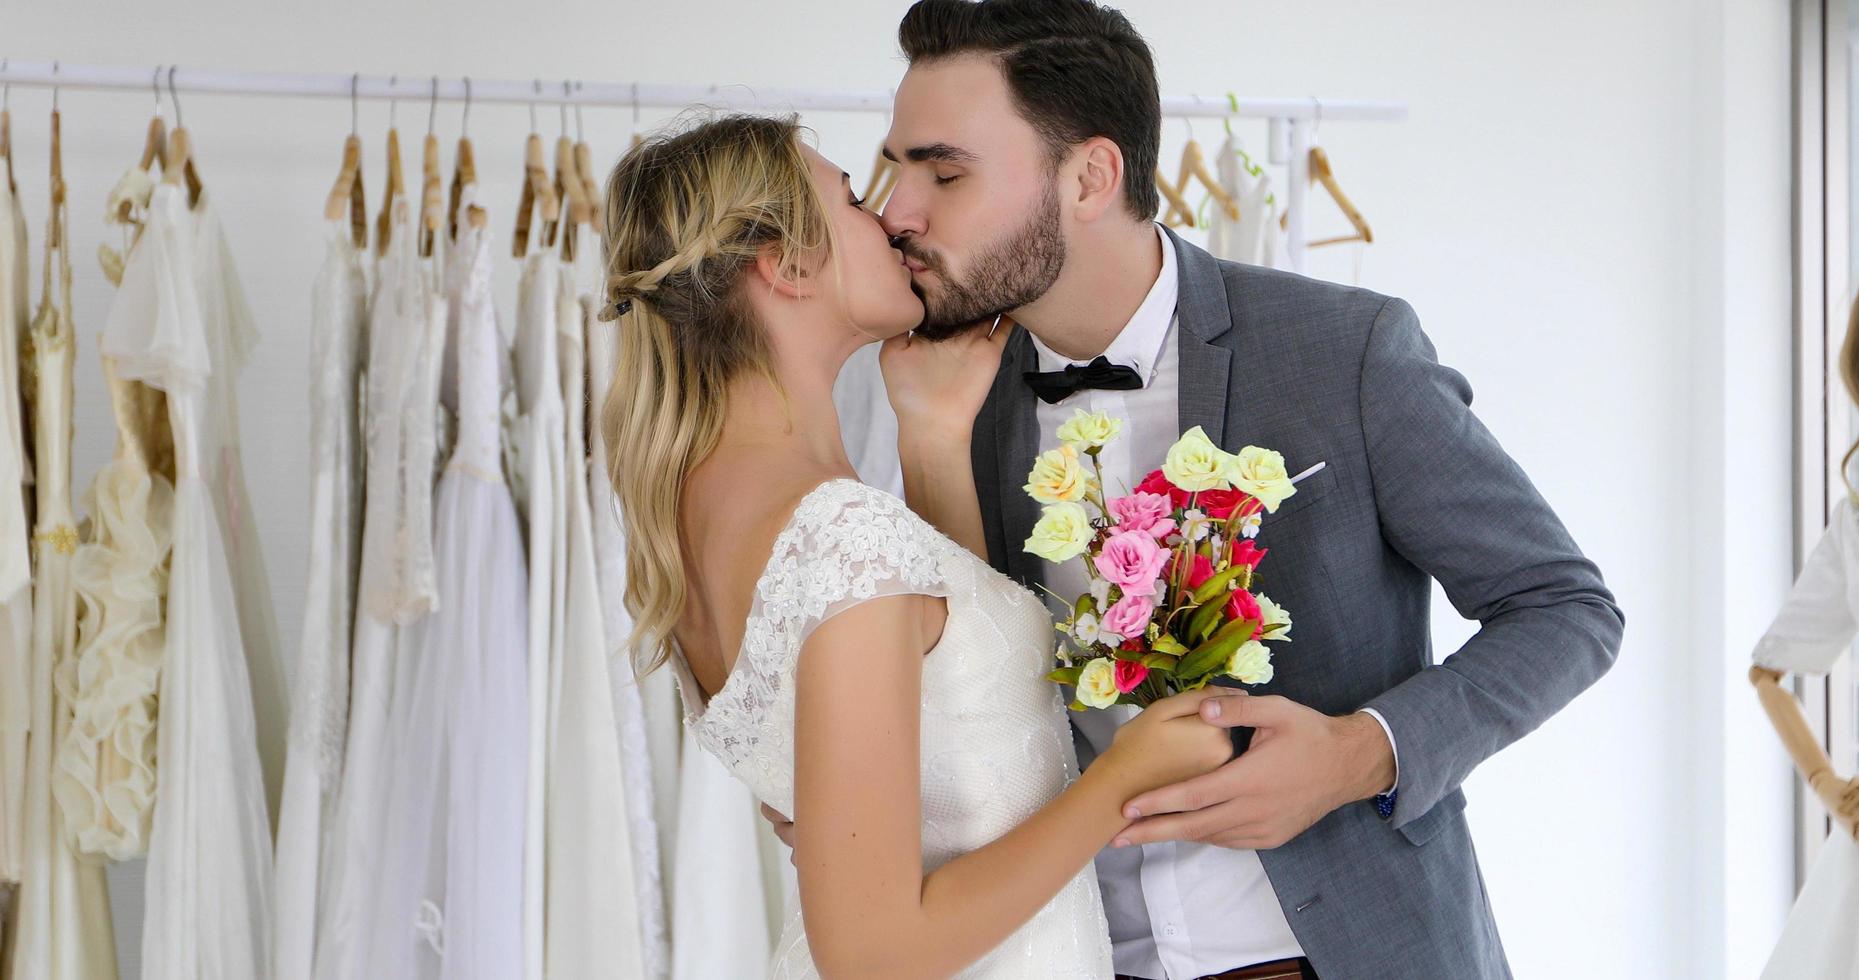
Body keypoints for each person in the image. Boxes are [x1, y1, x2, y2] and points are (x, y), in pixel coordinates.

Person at [773, 2, 1626, 976]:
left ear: (1090, 175)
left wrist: (1359, 752)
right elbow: (961, 713)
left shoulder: (1344, 351)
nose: (898, 212)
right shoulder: (916, 393)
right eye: (897, 167)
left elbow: (1565, 607)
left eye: (944, 171)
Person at [596, 113, 1234, 978]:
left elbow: (949, 707)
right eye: (855, 200)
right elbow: (874, 953)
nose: (893, 217)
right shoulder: (830, 528)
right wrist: (1120, 782)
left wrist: (932, 436)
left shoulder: (716, 511)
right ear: (784, 265)